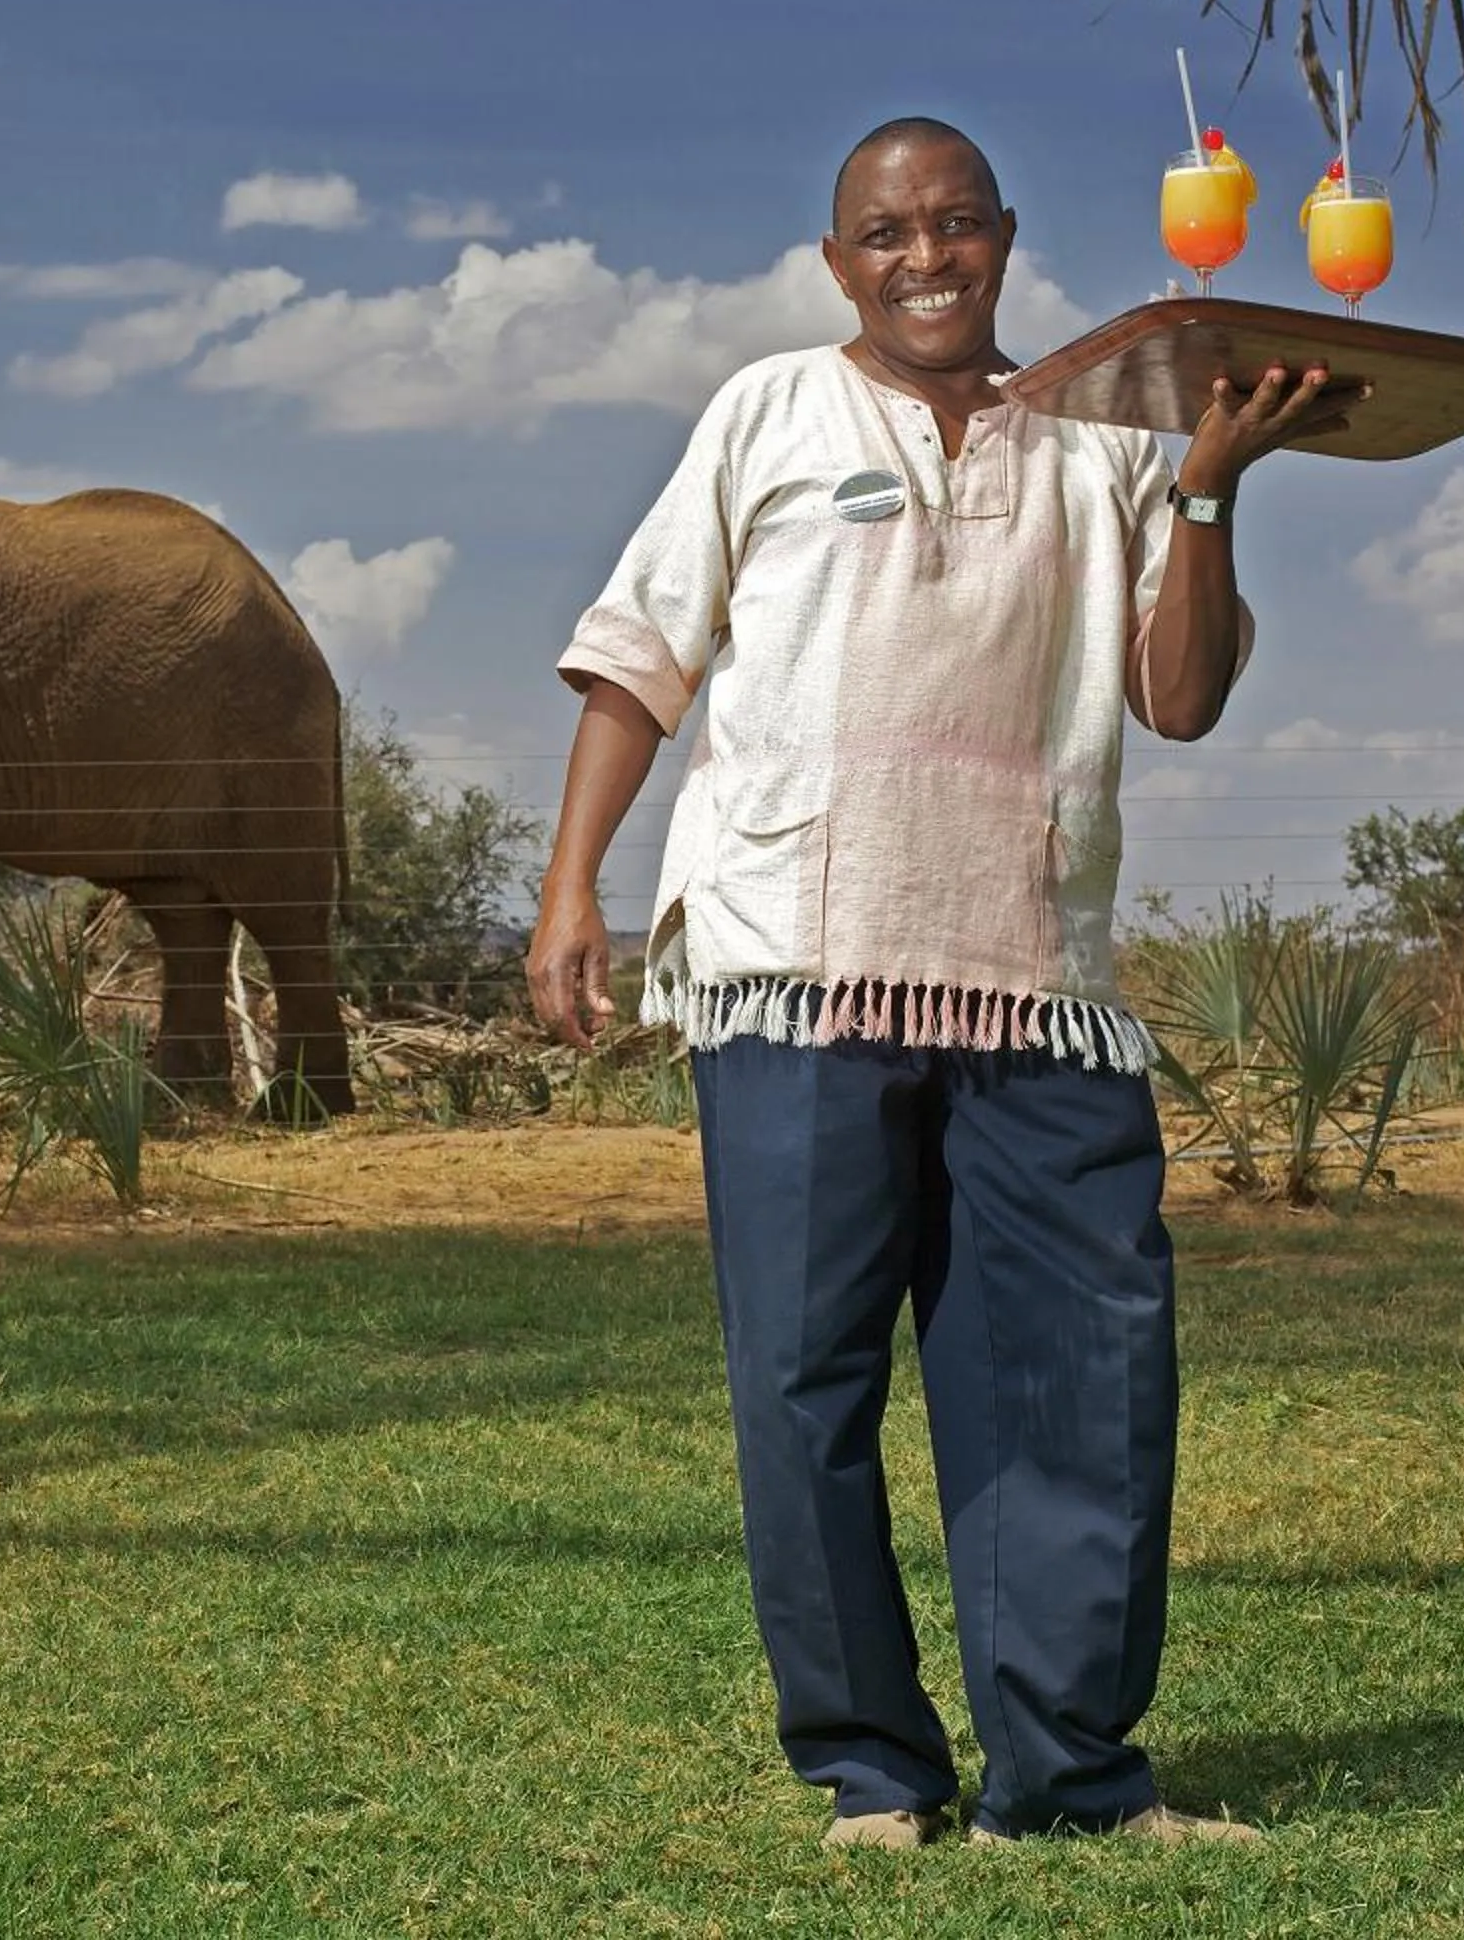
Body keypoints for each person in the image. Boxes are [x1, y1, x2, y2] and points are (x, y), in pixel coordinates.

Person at [525, 117, 1345, 1849]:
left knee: (1080, 1370)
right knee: (806, 1381)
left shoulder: (1109, 439)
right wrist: (569, 887)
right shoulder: (768, 414)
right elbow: (642, 659)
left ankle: (1072, 1776)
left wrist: (1207, 482)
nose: (925, 261)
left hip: (1031, 973)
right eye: (887, 235)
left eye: (956, 226)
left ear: (1006, 239)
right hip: (790, 969)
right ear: (840, 265)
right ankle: (871, 1771)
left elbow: (1179, 699)